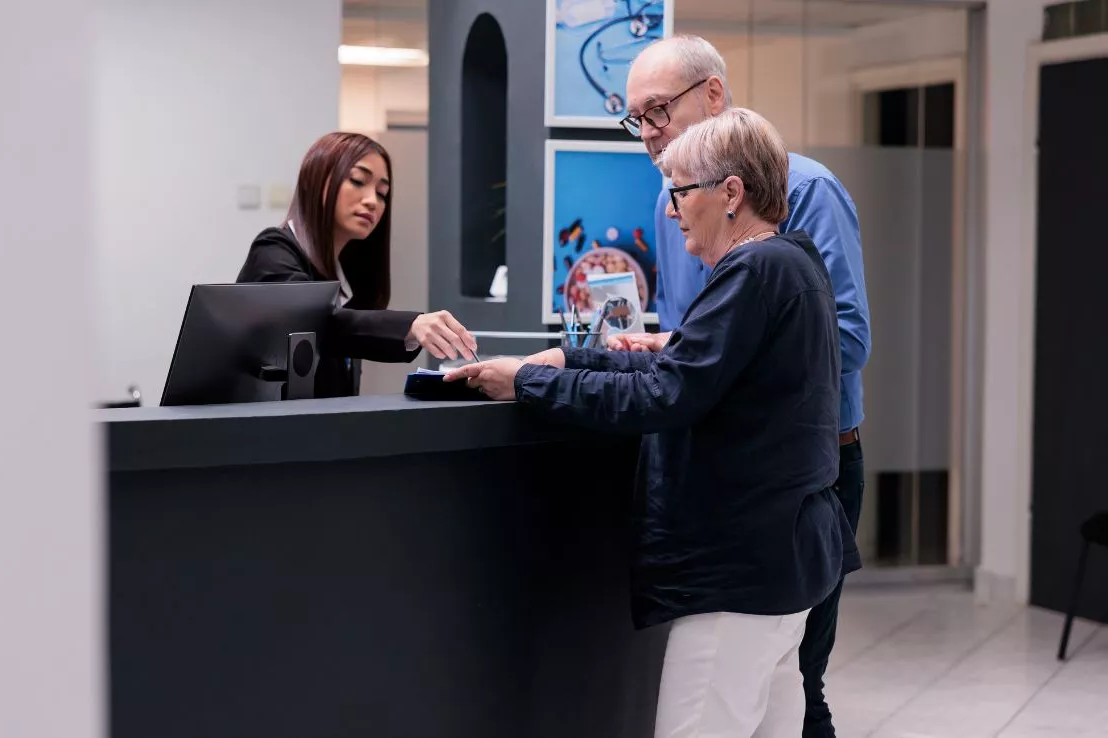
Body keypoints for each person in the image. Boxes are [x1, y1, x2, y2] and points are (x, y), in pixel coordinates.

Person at [445, 109, 860, 738]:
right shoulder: (793, 261)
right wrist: (576, 356)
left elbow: (665, 397)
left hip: (740, 575)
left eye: (680, 192)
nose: (669, 211)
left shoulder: (752, 272)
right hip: (784, 566)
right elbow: (702, 364)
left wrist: (525, 380)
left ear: (731, 193)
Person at [611, 35, 872, 738]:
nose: (648, 130)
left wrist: (707, 352)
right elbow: (689, 338)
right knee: (759, 703)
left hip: (797, 475)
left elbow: (843, 339)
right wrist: (672, 348)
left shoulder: (804, 189)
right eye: (635, 118)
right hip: (718, 476)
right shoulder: (671, 199)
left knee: (796, 685)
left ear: (714, 95)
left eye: (658, 109)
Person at [236, 131, 478, 398]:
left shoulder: (346, 279)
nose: (372, 201)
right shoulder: (273, 249)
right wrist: (411, 325)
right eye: (358, 181)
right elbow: (311, 322)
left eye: (382, 193)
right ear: (316, 180)